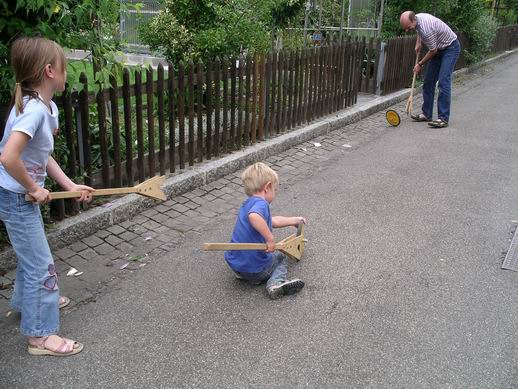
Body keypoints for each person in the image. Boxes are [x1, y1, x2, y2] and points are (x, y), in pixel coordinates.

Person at [0, 36, 94, 356]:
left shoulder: (42, 106)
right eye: (65, 67)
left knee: (32, 258)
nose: (67, 72)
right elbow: (8, 157)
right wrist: (33, 188)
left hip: (17, 195)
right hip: (16, 197)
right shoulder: (33, 112)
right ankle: (40, 336)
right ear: (50, 71)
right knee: (42, 266)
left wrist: (69, 186)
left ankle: (26, 305)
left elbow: (42, 155)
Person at [224, 162, 306, 299]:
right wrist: (270, 239)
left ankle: (243, 274)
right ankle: (275, 283)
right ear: (267, 187)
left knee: (259, 257)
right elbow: (254, 217)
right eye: (275, 189)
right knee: (281, 258)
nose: (275, 193)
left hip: (234, 264)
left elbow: (272, 221)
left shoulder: (247, 203)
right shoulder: (261, 204)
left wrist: (294, 220)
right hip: (255, 269)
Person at [400, 11, 461, 128]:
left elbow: (433, 51)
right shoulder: (417, 18)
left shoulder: (426, 30)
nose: (407, 30)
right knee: (428, 81)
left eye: (408, 27)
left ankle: (443, 118)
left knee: (443, 82)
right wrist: (418, 43)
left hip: (450, 48)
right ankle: (426, 113)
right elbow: (418, 30)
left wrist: (419, 64)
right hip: (438, 48)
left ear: (413, 20)